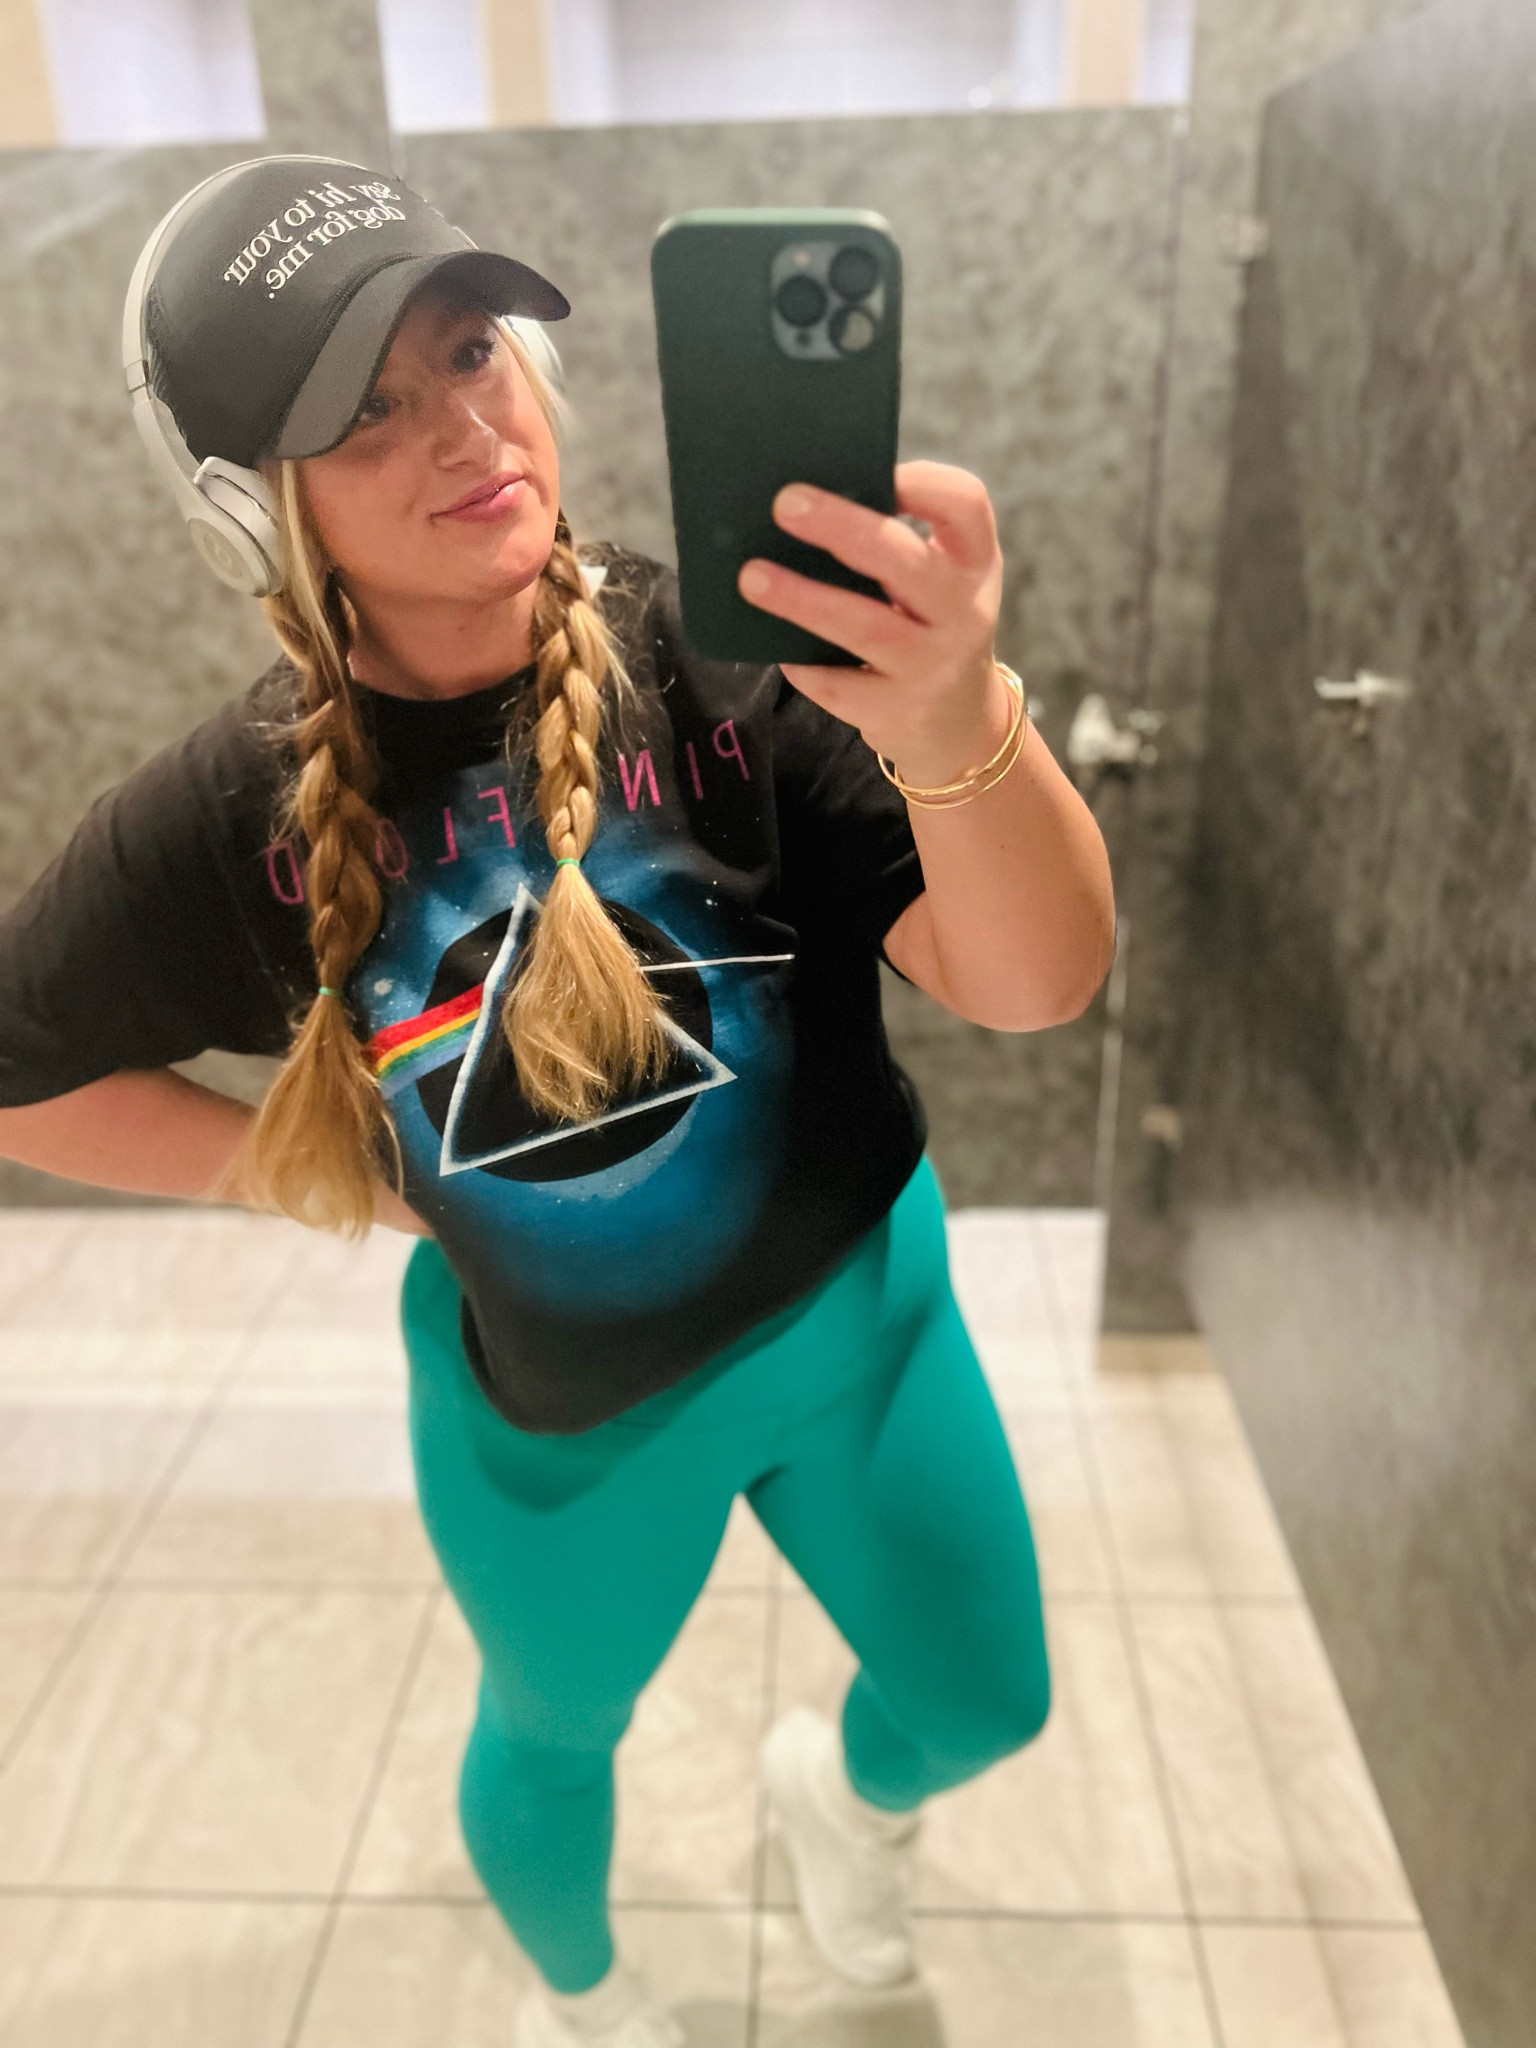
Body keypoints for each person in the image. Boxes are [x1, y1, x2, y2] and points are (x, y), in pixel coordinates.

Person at [0, 157, 1114, 2048]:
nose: (461, 428)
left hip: (871, 1328)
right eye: (361, 415)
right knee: (552, 1746)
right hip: (569, 1431)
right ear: (252, 510)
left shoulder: (734, 664)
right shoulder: (230, 817)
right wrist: (315, 1176)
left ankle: (843, 1811)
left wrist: (953, 720)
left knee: (983, 1702)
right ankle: (587, 2013)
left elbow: (1034, 984)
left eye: (469, 354)